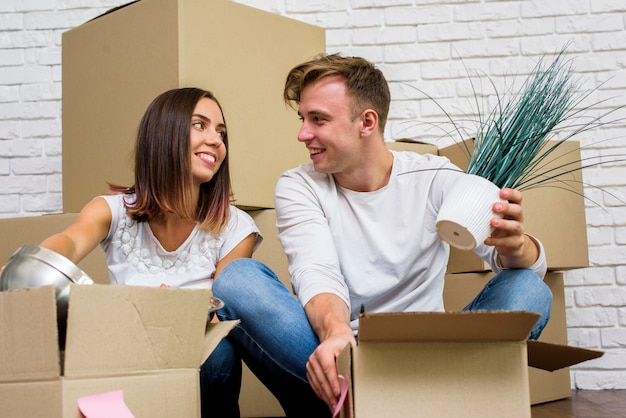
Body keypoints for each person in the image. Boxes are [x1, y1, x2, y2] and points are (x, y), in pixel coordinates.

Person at [214, 54, 552, 416]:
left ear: (367, 122)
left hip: (427, 362)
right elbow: (316, 271)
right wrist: (336, 333)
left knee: (530, 288)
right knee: (238, 279)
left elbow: (525, 273)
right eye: (303, 119)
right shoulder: (299, 186)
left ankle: (415, 402)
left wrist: (517, 246)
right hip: (343, 359)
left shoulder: (435, 177)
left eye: (318, 120)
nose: (303, 134)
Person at [35, 88, 261, 418]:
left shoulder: (235, 225)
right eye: (200, 125)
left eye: (221, 132)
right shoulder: (111, 211)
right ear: (164, 133)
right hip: (127, 356)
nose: (216, 140)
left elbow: (220, 312)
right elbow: (68, 242)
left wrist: (174, 313)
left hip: (197, 358)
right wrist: (32, 263)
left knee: (220, 355)